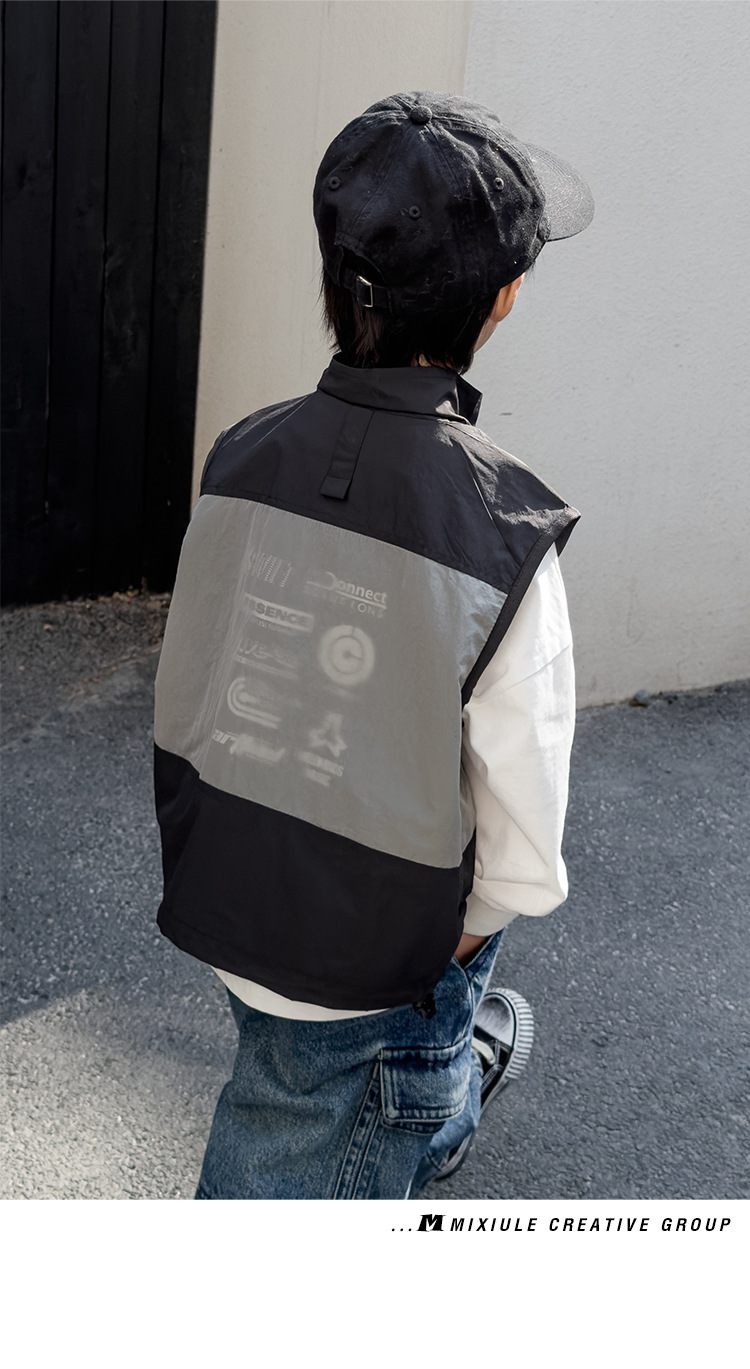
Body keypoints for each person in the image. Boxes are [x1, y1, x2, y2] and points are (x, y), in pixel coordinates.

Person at [152, 91, 594, 1199]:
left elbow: (195, 692)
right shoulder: (506, 535)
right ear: (502, 300)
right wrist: (431, 963)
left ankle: (433, 1085)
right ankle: (433, 1073)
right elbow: (522, 858)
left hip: (228, 905)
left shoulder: (239, 458)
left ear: (334, 276)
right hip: (381, 971)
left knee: (303, 1097)